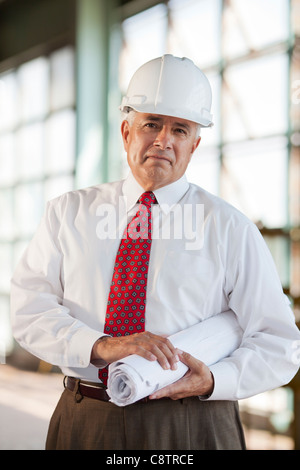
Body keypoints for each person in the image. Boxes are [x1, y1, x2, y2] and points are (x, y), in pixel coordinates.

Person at [11, 54, 300, 450]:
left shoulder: (230, 228)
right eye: (151, 124)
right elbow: (30, 310)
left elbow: (279, 342)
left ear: (194, 145)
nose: (164, 140)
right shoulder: (68, 214)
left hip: (193, 420)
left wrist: (215, 380)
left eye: (179, 129)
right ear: (127, 132)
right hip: (88, 417)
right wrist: (100, 345)